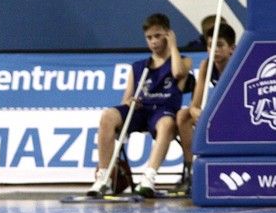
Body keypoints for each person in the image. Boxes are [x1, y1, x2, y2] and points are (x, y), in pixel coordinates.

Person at [88, 13, 191, 198]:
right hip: (141, 111)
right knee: (108, 115)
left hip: (163, 111)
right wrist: (130, 103)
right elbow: (126, 100)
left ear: (168, 34)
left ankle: (148, 178)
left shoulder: (183, 61)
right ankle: (103, 178)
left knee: (167, 124)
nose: (153, 41)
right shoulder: (138, 67)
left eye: (158, 36)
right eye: (149, 37)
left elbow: (178, 74)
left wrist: (173, 46)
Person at [176, 22, 236, 192]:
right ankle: (190, 171)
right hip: (215, 113)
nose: (214, 50)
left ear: (232, 48)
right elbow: (195, 104)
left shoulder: (238, 64)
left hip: (236, 114)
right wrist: (197, 113)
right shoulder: (206, 65)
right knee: (183, 116)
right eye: (210, 45)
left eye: (220, 45)